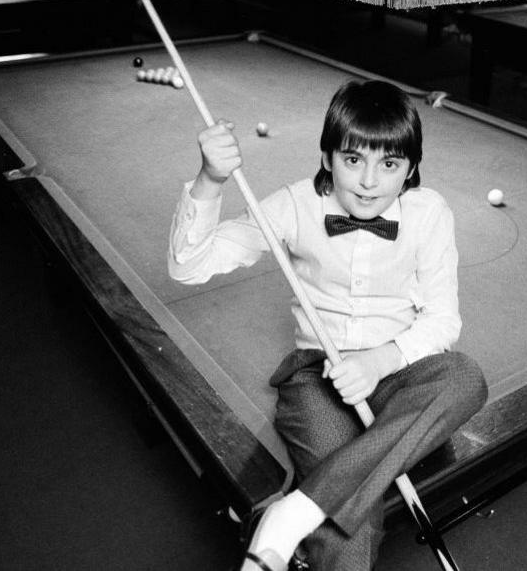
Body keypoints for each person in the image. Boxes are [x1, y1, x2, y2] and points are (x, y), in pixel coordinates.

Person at [168, 80, 487, 571]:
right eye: (353, 159)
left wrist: (378, 362)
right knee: (353, 531)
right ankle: (306, 515)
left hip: (399, 370)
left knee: (465, 377)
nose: (369, 182)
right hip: (317, 379)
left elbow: (443, 320)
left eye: (389, 165)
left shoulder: (430, 213)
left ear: (410, 170)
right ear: (327, 157)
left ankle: (290, 514)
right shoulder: (295, 204)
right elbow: (188, 265)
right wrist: (210, 179)